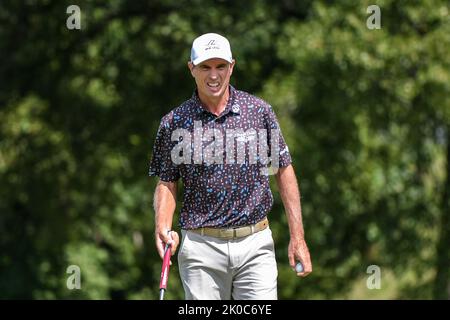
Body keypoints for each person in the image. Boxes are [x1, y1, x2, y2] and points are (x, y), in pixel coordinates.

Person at [149, 33, 312, 300]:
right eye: (205, 67)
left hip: (255, 243)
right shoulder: (175, 122)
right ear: (192, 69)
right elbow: (167, 181)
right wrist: (163, 226)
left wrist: (298, 237)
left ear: (232, 67)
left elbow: (283, 170)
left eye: (220, 66)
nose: (214, 75)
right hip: (201, 248)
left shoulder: (259, 112)